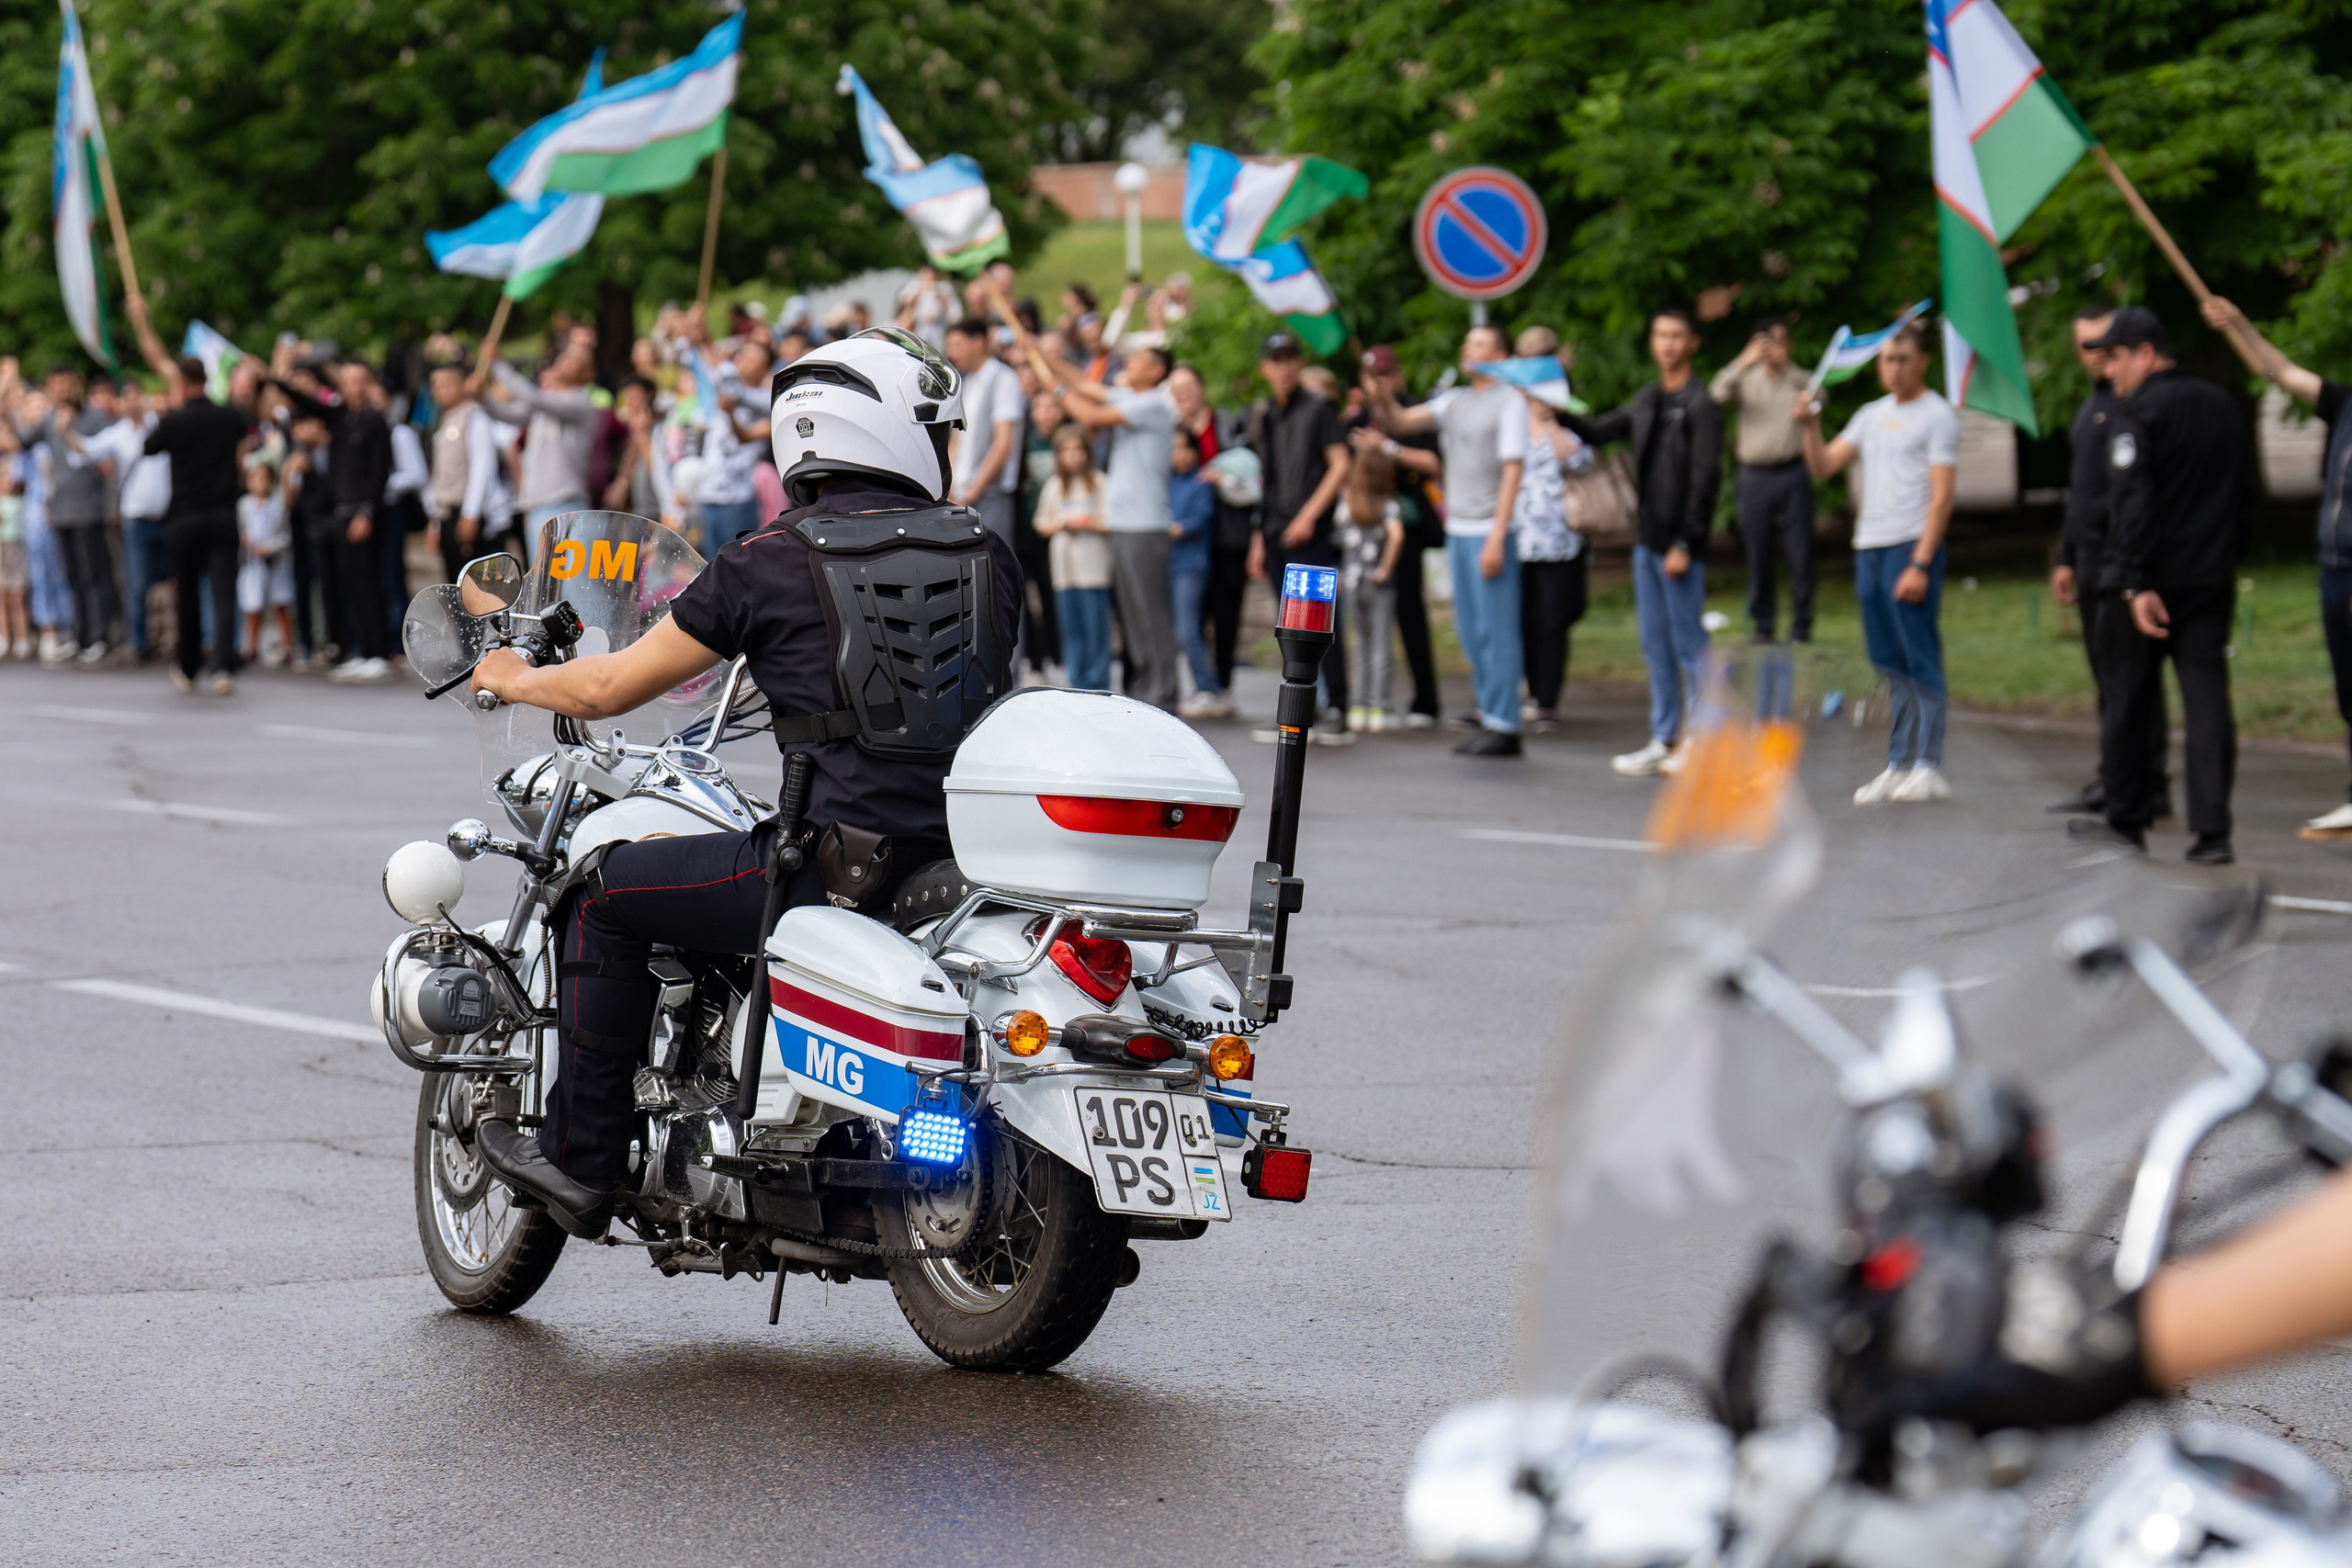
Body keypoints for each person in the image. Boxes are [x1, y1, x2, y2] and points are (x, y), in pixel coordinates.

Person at [467, 327, 1020, 1237]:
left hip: (830, 869)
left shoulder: (767, 560)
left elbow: (608, 686)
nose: (949, 449)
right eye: (940, 430)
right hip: (958, 863)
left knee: (602, 892)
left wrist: (513, 679)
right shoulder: (985, 550)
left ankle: (583, 1162)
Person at [2076, 305, 2252, 864]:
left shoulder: (2137, 413)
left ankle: (2126, 822)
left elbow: (2133, 504)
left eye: (2117, 359)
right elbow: (2243, 496)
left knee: (2127, 700)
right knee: (2206, 701)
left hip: (2148, 585)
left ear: (2146, 353)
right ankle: (2212, 832)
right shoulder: (2224, 407)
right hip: (2209, 578)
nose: (2110, 373)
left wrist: (2130, 582)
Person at [2199, 296, 2352, 843]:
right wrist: (2237, 324)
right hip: (2333, 569)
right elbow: (2277, 370)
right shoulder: (2344, 403)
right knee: (2348, 690)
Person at [1799, 322, 1959, 805]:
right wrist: (1809, 425)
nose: (1893, 368)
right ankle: (1898, 763)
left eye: (1902, 359)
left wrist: (1921, 562)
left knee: (1919, 658)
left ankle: (1929, 765)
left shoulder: (1938, 415)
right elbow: (1824, 465)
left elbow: (1943, 495)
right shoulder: (1871, 415)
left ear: (1922, 362)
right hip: (1868, 547)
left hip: (1909, 548)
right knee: (1888, 663)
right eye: (1886, 360)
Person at [1566, 308, 1723, 777]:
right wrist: (1555, 406)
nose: (1668, 344)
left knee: (1689, 645)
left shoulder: (1700, 403)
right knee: (1654, 644)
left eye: (1677, 336)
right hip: (1647, 540)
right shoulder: (1648, 398)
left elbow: (1705, 479)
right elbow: (1596, 431)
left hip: (1679, 544)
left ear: (1692, 343)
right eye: (1660, 335)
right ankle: (1664, 737)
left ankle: (1703, 740)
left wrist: (1686, 542)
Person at [1369, 324, 1531, 756]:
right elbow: (1402, 421)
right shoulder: (1456, 400)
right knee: (1469, 630)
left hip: (1488, 529)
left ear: (1499, 355)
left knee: (1496, 629)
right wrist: (1382, 393)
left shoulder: (1510, 402)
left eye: (1477, 342)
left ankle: (1506, 722)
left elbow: (1513, 470)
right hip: (1458, 527)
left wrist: (1498, 535)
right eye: (1467, 341)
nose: (1467, 347)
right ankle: (1489, 713)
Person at [2051, 308, 2167, 821]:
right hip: (2090, 558)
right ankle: (2116, 773)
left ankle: (2148, 781)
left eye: (2106, 344)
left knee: (2132, 678)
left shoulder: (2133, 405)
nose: (2098, 355)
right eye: (2088, 346)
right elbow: (2082, 493)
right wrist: (2066, 556)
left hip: (2124, 559)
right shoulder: (2091, 408)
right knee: (2107, 678)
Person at [1043, 342, 1183, 711]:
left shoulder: (1153, 403)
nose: (1129, 363)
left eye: (1138, 359)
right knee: (1134, 615)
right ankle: (1146, 687)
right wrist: (1044, 357)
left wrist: (1055, 389)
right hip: (1125, 524)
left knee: (1151, 614)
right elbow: (1087, 386)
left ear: (1155, 371)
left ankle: (1164, 691)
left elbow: (1089, 414)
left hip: (1145, 525)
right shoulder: (1129, 396)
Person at [1250, 333, 1355, 741]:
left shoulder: (1319, 407)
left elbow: (1340, 464)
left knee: (1322, 623)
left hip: (1310, 531)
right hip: (1277, 528)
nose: (1285, 367)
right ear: (1266, 368)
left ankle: (1339, 708)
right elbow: (1268, 480)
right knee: (1290, 626)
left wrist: (1310, 514)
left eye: (1291, 358)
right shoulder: (1267, 414)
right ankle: (1297, 709)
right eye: (1276, 360)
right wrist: (1261, 536)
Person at [272, 360, 396, 682]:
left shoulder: (375, 421)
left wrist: (367, 512)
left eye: (359, 381)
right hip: (340, 512)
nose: (353, 387)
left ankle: (379, 651)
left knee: (369, 584)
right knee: (349, 585)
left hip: (362, 512)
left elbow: (379, 472)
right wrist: (278, 377)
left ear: (368, 384)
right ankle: (361, 649)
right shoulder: (340, 417)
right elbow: (306, 402)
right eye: (348, 381)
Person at [143, 355, 250, 695]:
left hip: (186, 517)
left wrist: (169, 410)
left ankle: (189, 664)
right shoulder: (228, 416)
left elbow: (149, 447)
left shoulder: (176, 421)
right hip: (222, 513)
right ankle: (222, 664)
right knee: (223, 593)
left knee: (187, 594)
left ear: (182, 383)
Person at [1351, 344, 1443, 728]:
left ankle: (1426, 700)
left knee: (1409, 613)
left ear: (1398, 377)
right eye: (1373, 377)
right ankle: (1365, 699)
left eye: (1386, 375)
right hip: (1362, 531)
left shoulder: (1413, 413)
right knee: (1364, 622)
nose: (1380, 384)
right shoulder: (1358, 419)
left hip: (1402, 526)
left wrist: (1386, 448)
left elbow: (1432, 463)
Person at [1710, 318, 1815, 643]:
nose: (1773, 349)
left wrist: (1790, 368)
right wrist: (1744, 360)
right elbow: (1715, 395)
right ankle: (1763, 624)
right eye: (1767, 342)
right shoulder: (1746, 378)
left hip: (1792, 471)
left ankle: (1801, 626)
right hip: (1754, 475)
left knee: (1800, 552)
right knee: (1758, 551)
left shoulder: (1799, 379)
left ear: (1790, 345)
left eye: (1780, 341)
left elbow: (1819, 394)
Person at [1514, 382, 1592, 735]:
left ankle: (1547, 700)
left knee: (1552, 621)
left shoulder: (1565, 429)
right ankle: (1528, 688)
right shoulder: (1511, 428)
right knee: (1523, 619)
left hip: (1559, 542)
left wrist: (1551, 425)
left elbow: (1580, 461)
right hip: (1519, 540)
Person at [1165, 364, 1242, 714]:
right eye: (1176, 389)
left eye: (1188, 387)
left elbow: (1243, 466)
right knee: (1190, 623)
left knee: (1216, 618)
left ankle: (1215, 687)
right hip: (1184, 554)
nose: (1183, 396)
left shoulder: (1224, 424)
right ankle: (1204, 685)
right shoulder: (1170, 437)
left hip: (1222, 538)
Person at [480, 336, 597, 557]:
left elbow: (533, 399)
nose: (566, 360)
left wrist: (497, 364)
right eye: (565, 355)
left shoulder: (579, 402)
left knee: (570, 584)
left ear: (588, 374)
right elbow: (506, 413)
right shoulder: (546, 401)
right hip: (535, 504)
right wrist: (480, 396)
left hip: (564, 504)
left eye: (576, 359)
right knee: (544, 581)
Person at [1035, 423, 1114, 691]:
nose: (1073, 456)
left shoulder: (1100, 482)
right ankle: (1076, 680)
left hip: (1093, 569)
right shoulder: (1055, 486)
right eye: (1067, 451)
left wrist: (1083, 523)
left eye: (1078, 450)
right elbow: (1042, 523)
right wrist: (1061, 524)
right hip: (1064, 571)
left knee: (1096, 629)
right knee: (1071, 629)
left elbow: (1108, 521)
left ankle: (1098, 681)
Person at [99, 382, 171, 664]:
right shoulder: (117, 434)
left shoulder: (161, 425)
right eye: (126, 398)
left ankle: (174, 638)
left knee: (170, 582)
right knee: (137, 583)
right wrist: (63, 430)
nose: (131, 403)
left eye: (135, 397)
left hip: (166, 516)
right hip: (135, 519)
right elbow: (86, 451)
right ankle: (138, 642)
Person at [1336, 444, 1406, 731]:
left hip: (1352, 582)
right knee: (1380, 645)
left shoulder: (1347, 505)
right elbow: (1397, 536)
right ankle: (1379, 706)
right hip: (1378, 583)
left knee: (1360, 645)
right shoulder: (1389, 505)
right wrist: (1386, 568)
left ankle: (1358, 706)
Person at [944, 317, 1024, 550]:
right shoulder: (966, 383)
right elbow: (956, 441)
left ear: (979, 342)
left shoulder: (1004, 379)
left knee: (993, 563)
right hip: (960, 494)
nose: (953, 353)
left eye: (958, 345)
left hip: (989, 492)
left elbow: (1003, 443)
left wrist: (972, 492)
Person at [691, 336, 775, 549]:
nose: (743, 360)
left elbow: (745, 436)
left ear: (764, 369)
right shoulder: (727, 389)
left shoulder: (766, 401)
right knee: (711, 564)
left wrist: (730, 414)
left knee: (736, 566)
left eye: (752, 357)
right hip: (709, 494)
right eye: (742, 354)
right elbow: (711, 362)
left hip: (737, 499)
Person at [1167, 427, 1224, 718]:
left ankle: (1208, 687)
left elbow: (1201, 519)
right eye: (1173, 447)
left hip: (1191, 563)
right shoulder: (1166, 481)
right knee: (1175, 631)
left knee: (1188, 630)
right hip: (1168, 562)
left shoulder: (1201, 481)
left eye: (1184, 447)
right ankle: (1188, 686)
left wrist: (1177, 529)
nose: (1179, 454)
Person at [235, 457, 295, 665]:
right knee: (253, 605)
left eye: (264, 478)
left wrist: (269, 548)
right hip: (253, 563)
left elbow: (285, 537)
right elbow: (240, 531)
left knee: (281, 602)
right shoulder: (243, 506)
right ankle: (250, 647)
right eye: (255, 478)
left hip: (275, 560)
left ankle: (287, 646)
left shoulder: (278, 506)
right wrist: (245, 541)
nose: (260, 482)